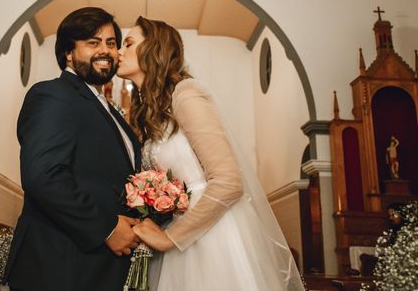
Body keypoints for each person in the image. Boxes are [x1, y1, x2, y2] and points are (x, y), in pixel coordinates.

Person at [116, 16, 305, 291]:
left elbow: (229, 181)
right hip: (179, 232)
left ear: (153, 50)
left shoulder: (186, 95)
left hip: (212, 237)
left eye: (129, 43)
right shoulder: (153, 113)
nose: (119, 51)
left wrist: (171, 238)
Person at [4, 7, 142, 291]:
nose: (105, 50)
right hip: (61, 266)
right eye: (93, 43)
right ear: (68, 52)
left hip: (98, 268)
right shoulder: (53, 94)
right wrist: (107, 228)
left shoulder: (112, 112)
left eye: (111, 43)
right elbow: (43, 176)